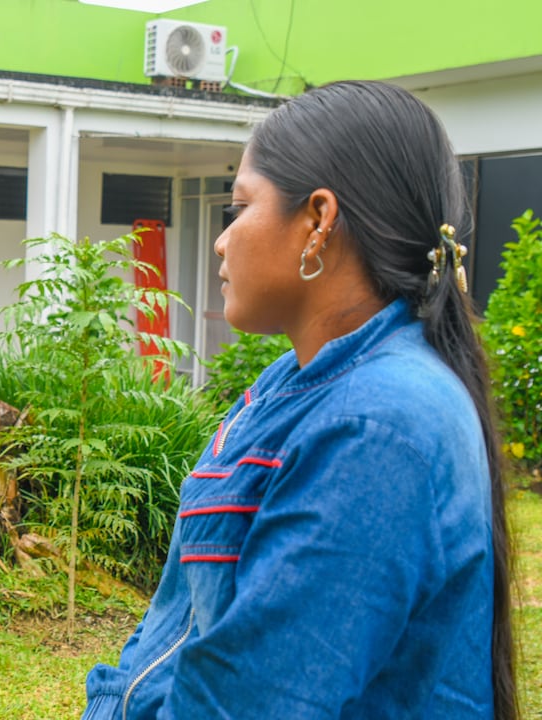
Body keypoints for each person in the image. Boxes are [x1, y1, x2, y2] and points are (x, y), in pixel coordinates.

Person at [82, 81, 516, 719]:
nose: (221, 241)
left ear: (318, 219)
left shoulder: (376, 426)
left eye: (240, 206)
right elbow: (177, 626)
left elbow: (249, 702)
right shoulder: (295, 385)